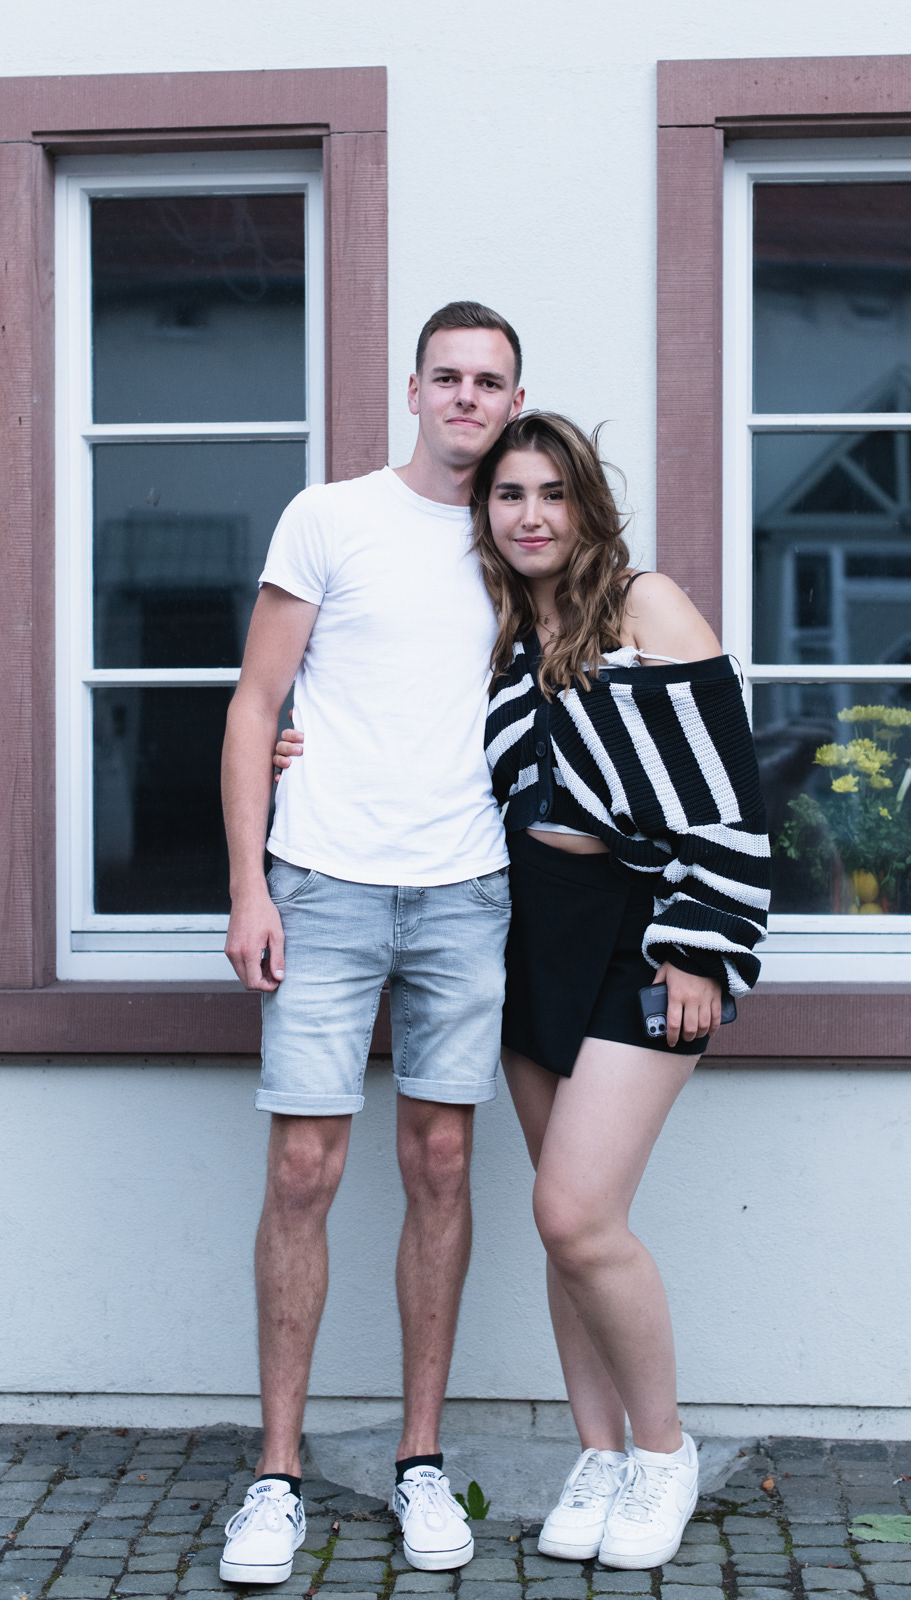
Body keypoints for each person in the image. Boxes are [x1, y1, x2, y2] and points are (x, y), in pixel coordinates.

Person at [275, 411, 770, 1569]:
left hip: (645, 934)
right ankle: (596, 1454)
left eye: (552, 492)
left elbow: (727, 787)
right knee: (562, 1221)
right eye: (509, 495)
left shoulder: (645, 604)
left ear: (585, 503)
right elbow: (396, 722)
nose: (531, 514)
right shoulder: (496, 631)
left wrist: (700, 945)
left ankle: (661, 1451)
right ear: (484, 511)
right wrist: (301, 746)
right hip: (526, 934)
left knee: (575, 1212)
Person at [217, 302, 524, 1585]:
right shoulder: (330, 515)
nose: (465, 397)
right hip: (325, 882)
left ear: (513, 401)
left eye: (488, 382)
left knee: (441, 1161)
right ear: (411, 390)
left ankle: (419, 1460)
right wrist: (249, 885)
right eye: (446, 376)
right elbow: (256, 702)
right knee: (303, 1169)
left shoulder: (527, 533)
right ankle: (276, 1475)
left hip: (467, 888)